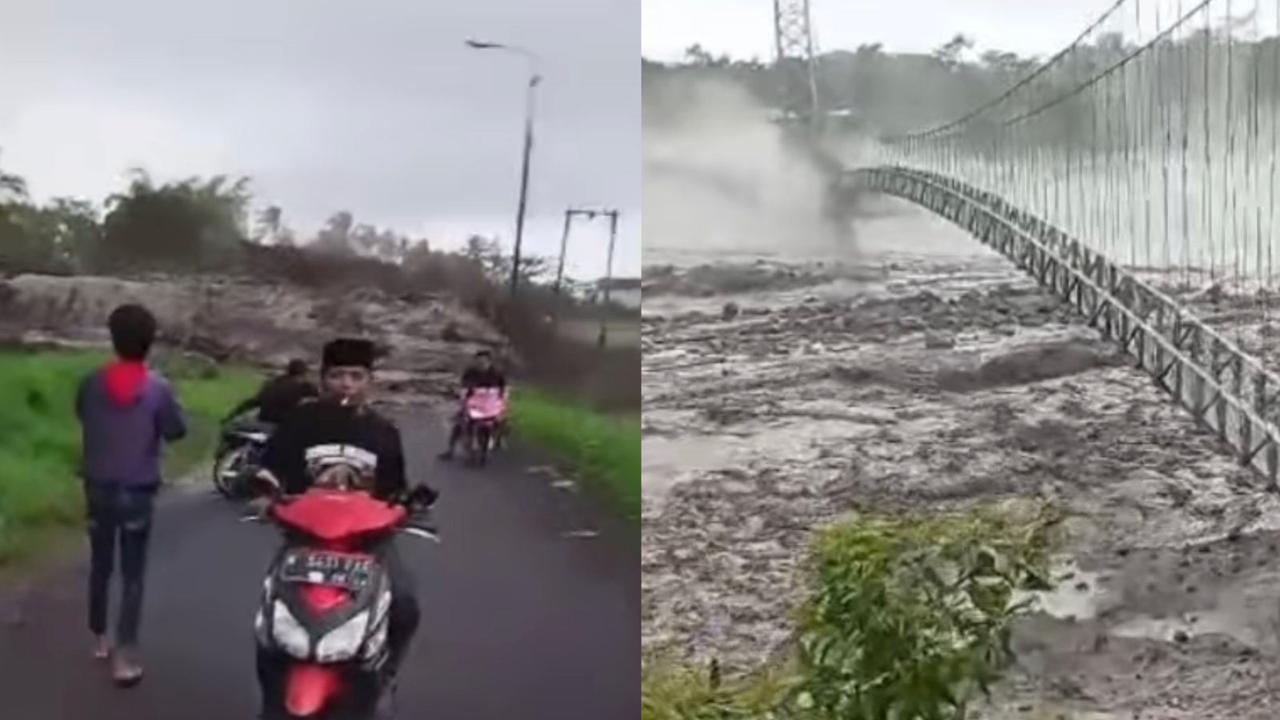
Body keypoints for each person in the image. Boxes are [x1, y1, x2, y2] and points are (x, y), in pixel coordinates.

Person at [254, 337, 435, 707]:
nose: (347, 385)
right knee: (272, 616)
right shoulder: (300, 422)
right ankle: (271, 693)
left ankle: (385, 672)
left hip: (368, 543)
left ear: (370, 381)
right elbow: (269, 470)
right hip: (304, 539)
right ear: (323, 379)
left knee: (404, 604)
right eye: (338, 375)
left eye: (356, 376)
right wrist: (263, 493)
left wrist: (406, 509)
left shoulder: (384, 432)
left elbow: (394, 490)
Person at [75, 304, 188, 687]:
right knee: (133, 573)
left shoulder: (91, 382)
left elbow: (84, 415)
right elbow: (175, 431)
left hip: (96, 485)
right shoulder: (157, 387)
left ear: (112, 338)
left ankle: (98, 638)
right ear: (150, 341)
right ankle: (125, 656)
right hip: (137, 489)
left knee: (100, 565)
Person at [437, 349, 508, 461]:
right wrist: (462, 399)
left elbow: (503, 391)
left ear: (489, 362)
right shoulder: (470, 373)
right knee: (459, 425)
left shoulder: (497, 374)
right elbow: (463, 389)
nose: (481, 364)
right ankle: (450, 450)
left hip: (490, 406)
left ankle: (495, 442)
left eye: (484, 361)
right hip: (474, 404)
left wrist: (502, 405)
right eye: (479, 361)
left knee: (502, 422)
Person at [222, 358, 317, 426]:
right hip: (281, 424)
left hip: (262, 419)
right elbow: (320, 399)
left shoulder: (273, 382)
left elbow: (252, 402)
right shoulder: (304, 386)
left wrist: (229, 417)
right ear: (304, 374)